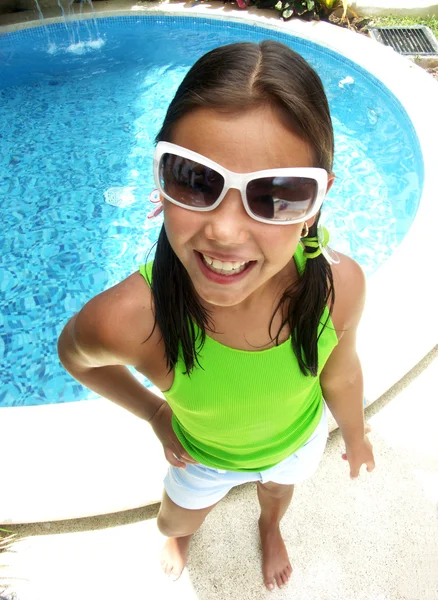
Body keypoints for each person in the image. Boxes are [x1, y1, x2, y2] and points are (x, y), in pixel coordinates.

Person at [58, 40, 375, 592]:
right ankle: (181, 535)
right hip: (201, 459)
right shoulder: (131, 320)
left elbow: (341, 372)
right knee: (173, 518)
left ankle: (269, 526)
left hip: (295, 443)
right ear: (162, 184)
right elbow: (76, 356)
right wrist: (156, 415)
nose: (225, 231)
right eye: (195, 179)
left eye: (277, 194)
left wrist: (354, 434)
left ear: (316, 206)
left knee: (279, 495)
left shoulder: (338, 289)